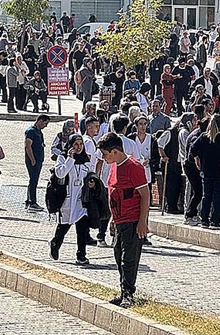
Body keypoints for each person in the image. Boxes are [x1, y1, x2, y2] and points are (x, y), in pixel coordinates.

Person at [97, 132, 150, 309]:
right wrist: (112, 219)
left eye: (105, 154)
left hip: (133, 220)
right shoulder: (113, 166)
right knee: (118, 255)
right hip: (119, 221)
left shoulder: (134, 167)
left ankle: (129, 294)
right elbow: (114, 195)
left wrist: (143, 221)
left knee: (129, 258)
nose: (103, 158)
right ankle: (123, 291)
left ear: (114, 151)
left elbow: (145, 195)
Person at [50, 134, 93, 265]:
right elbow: (60, 173)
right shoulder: (63, 157)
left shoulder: (86, 158)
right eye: (75, 144)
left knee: (82, 228)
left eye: (80, 144)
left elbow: (90, 173)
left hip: (81, 199)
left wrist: (92, 183)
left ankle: (81, 255)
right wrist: (70, 159)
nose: (78, 147)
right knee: (64, 226)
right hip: (67, 198)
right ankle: (55, 244)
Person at [191, 114, 220, 229]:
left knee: (207, 196)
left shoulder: (204, 137)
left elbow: (193, 148)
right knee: (218, 197)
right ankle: (215, 220)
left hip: (206, 170)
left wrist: (197, 158)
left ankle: (204, 219)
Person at [24, 115, 50, 211]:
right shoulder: (31, 131)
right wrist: (32, 159)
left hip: (38, 160)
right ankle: (32, 202)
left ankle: (29, 200)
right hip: (33, 160)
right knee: (33, 180)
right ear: (40, 121)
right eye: (45, 123)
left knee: (33, 180)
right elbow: (28, 146)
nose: (45, 126)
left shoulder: (39, 132)